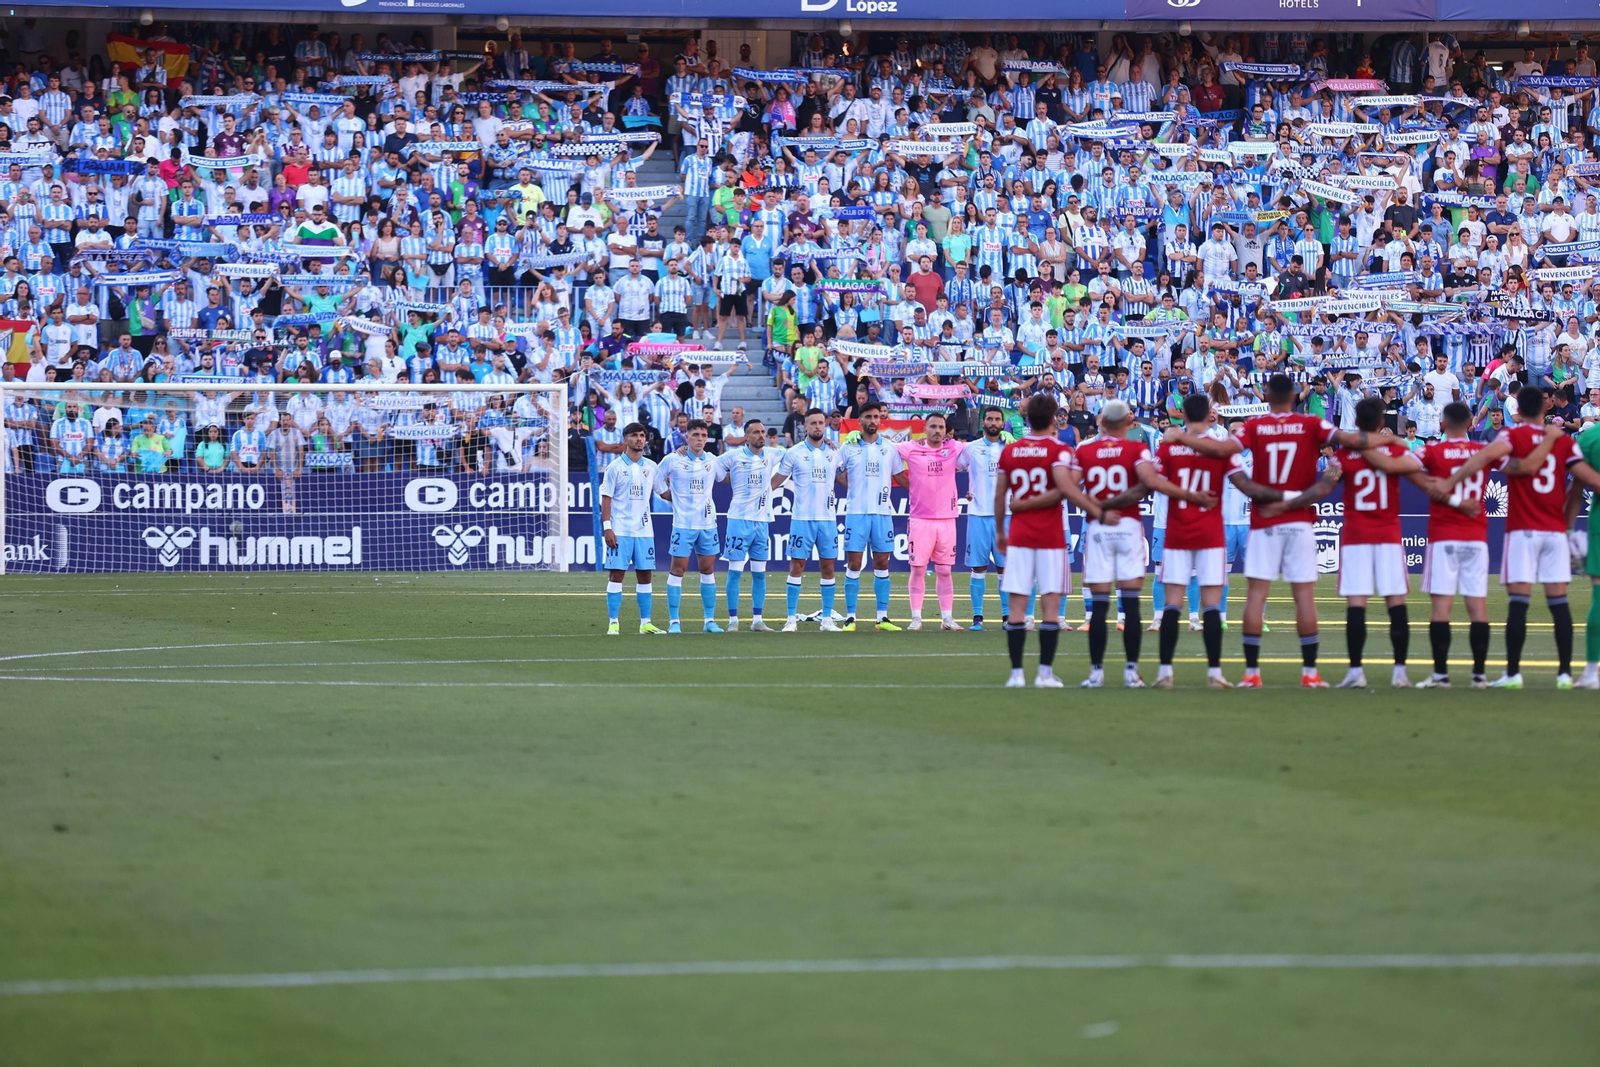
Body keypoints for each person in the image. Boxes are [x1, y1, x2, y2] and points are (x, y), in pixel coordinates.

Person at [1164, 373, 1378, 689]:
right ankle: (1310, 674)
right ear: (1294, 395)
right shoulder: (1312, 425)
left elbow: (1223, 450)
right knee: (1304, 596)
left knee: (1256, 594)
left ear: (1266, 395)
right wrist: (1384, 439)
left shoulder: (1254, 426)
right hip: (1300, 518)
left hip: (1264, 518)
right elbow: (1349, 441)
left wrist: (1182, 438)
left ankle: (1251, 673)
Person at [1443, 386, 1600, 688]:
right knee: (1559, 603)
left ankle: (1513, 673)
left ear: (1518, 410)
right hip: (1554, 531)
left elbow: (1482, 458)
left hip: (1523, 530)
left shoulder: (1512, 437)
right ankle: (1565, 674)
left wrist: (1453, 480)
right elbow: (1586, 482)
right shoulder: (1564, 443)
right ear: (1546, 408)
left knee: (1518, 602)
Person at [1412, 402, 1557, 688]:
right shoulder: (1482, 452)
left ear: (1442, 423)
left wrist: (1441, 491)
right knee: (1478, 609)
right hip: (1476, 538)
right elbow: (1522, 467)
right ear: (1470, 423)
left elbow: (1404, 467)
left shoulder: (1430, 451)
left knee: (1441, 609)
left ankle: (1441, 675)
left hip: (1443, 537)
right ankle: (1479, 675)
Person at [1073, 400, 1216, 689]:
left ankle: (1096, 673)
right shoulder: (1136, 449)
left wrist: (1097, 508)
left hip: (1098, 527)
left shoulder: (1084, 450)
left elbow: (1068, 486)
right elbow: (1151, 482)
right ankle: (1131, 672)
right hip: (1127, 527)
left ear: (1101, 421)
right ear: (1128, 421)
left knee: (1099, 606)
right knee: (1131, 602)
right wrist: (1190, 495)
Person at [1328, 397, 1463, 689]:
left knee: (1356, 605)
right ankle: (1400, 672)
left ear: (1356, 422)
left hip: (1355, 538)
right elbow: (1423, 482)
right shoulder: (1393, 450)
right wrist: (1454, 500)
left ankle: (1355, 672)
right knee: (1396, 604)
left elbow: (1324, 485)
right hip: (1388, 536)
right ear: (1381, 423)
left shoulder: (1343, 455)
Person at [993, 393, 1102, 688]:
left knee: (1017, 607)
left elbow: (1000, 495)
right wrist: (1096, 509)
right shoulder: (1061, 451)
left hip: (1019, 536)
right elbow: (1067, 489)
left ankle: (1016, 674)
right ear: (1055, 417)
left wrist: (1001, 532)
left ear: (1026, 417)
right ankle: (1043, 673)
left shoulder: (1011, 451)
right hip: (1051, 537)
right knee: (1050, 608)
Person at [1152, 394, 1236, 688]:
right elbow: (1242, 481)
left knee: (1172, 605)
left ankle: (1165, 672)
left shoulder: (1171, 447)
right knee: (1211, 605)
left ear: (1183, 415)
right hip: (1211, 534)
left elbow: (1151, 479)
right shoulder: (1220, 448)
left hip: (1177, 532)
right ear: (1210, 415)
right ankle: (1215, 673)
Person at [837, 401, 905, 631]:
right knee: (854, 563)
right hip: (856, 513)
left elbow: (901, 477)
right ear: (860, 421)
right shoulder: (849, 447)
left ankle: (882, 618)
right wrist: (849, 487)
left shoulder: (890, 448)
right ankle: (850, 618)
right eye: (868, 417)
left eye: (876, 416)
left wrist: (924, 490)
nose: (873, 420)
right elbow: (835, 471)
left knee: (882, 562)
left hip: (882, 513)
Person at [773, 409, 842, 632]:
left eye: (821, 423)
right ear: (805, 426)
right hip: (802, 519)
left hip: (828, 520)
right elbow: (776, 481)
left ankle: (827, 620)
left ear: (826, 424)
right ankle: (791, 620)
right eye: (813, 423)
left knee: (829, 568)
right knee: (796, 566)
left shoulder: (834, 452)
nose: (817, 427)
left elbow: (845, 479)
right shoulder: (794, 453)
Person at [895, 411, 965, 631]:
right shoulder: (910, 448)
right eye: (933, 427)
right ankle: (916, 617)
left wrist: (1005, 437)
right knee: (917, 570)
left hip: (947, 519)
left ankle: (947, 618)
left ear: (946, 431)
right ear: (924, 429)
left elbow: (984, 447)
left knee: (945, 571)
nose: (937, 431)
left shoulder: (954, 448)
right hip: (920, 519)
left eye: (941, 427)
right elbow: (883, 448)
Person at [715, 417, 783, 632]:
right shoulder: (733, 457)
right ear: (747, 436)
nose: (761, 435)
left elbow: (797, 455)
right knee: (735, 572)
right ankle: (733, 620)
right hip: (738, 520)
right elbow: (712, 467)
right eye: (756, 432)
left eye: (763, 432)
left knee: (759, 573)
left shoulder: (771, 454)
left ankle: (757, 620)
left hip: (762, 521)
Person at [655, 418, 722, 633]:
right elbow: (656, 480)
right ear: (687, 436)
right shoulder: (673, 459)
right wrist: (670, 496)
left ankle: (709, 621)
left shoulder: (712, 460)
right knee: (678, 570)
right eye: (696, 435)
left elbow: (724, 475)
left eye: (703, 435)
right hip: (683, 525)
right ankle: (674, 621)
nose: (700, 439)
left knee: (708, 569)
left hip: (708, 525)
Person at [600, 422, 664, 636]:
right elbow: (606, 499)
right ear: (625, 438)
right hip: (620, 530)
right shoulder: (615, 467)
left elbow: (664, 493)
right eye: (635, 435)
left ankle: (645, 623)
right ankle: (613, 622)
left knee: (645, 576)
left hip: (645, 531)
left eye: (642, 435)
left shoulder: (651, 467)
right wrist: (608, 528)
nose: (639, 439)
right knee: (617, 574)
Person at [958, 407, 1009, 630]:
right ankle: (977, 618)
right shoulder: (971, 448)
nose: (993, 422)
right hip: (978, 514)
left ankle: (1007, 617)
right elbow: (954, 466)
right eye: (989, 419)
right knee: (978, 568)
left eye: (997, 419)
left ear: (1002, 423)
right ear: (983, 423)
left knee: (1005, 568)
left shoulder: (1011, 448)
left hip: (1006, 515)